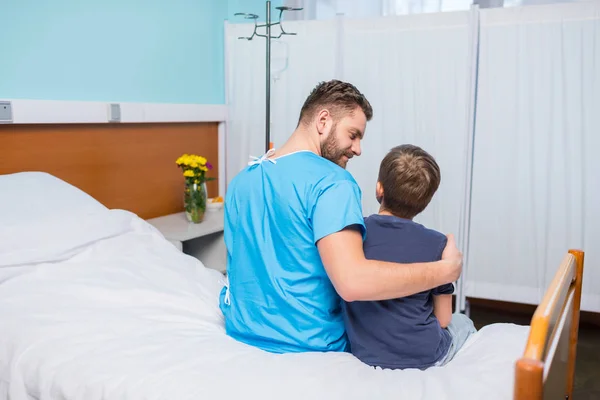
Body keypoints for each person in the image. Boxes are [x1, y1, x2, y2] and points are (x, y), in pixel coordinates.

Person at [218, 80, 463, 354]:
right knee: (455, 324)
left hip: (241, 333)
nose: (358, 149)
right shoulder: (333, 183)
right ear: (323, 120)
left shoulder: (242, 180)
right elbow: (353, 283)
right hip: (307, 344)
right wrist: (445, 270)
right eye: (353, 134)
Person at [342, 144, 477, 370]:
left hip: (366, 352)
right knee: (464, 322)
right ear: (424, 201)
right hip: (427, 354)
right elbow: (443, 320)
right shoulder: (438, 244)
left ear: (379, 189)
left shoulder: (354, 235)